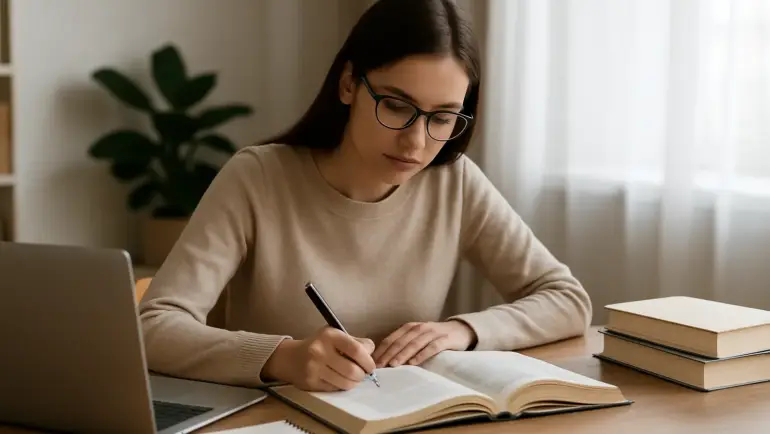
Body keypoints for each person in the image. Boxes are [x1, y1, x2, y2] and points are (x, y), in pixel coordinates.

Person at [138, 0, 592, 393]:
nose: (416, 142)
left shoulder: (453, 183)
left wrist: (463, 331)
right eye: (395, 105)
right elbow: (153, 327)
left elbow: (567, 299)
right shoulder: (257, 178)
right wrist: (283, 357)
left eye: (442, 117)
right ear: (349, 84)